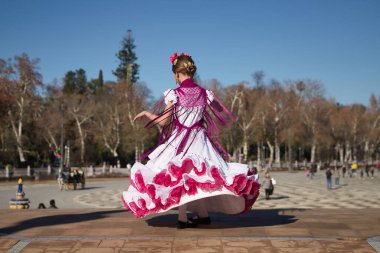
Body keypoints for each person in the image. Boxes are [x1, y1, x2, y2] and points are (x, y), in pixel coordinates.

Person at [122, 53, 260, 229]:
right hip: (200, 141)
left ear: (177, 74)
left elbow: (164, 121)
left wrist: (146, 114)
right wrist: (209, 100)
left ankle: (182, 218)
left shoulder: (174, 94)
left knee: (181, 176)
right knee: (198, 178)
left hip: (180, 141)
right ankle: (203, 215)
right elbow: (218, 108)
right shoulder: (205, 94)